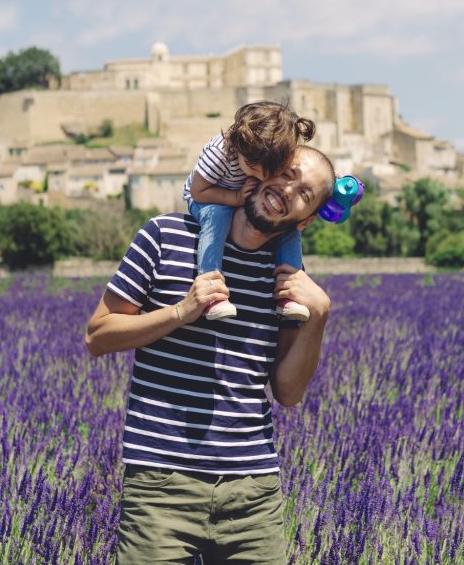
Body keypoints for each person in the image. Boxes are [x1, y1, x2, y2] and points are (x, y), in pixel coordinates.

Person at [85, 146, 336, 564]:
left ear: (307, 219)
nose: (287, 189)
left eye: (305, 193)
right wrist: (181, 312)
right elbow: (98, 335)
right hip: (160, 485)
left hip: (253, 492)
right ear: (265, 169)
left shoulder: (288, 280)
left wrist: (319, 317)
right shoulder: (165, 236)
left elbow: (288, 392)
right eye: (286, 173)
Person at [184, 101, 315, 323]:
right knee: (218, 215)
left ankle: (288, 293)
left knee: (288, 228)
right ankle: (210, 287)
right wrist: (234, 199)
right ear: (239, 147)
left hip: (241, 196)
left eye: (271, 172)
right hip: (209, 197)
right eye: (254, 170)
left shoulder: (272, 152)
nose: (263, 178)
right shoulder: (219, 154)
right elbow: (198, 192)